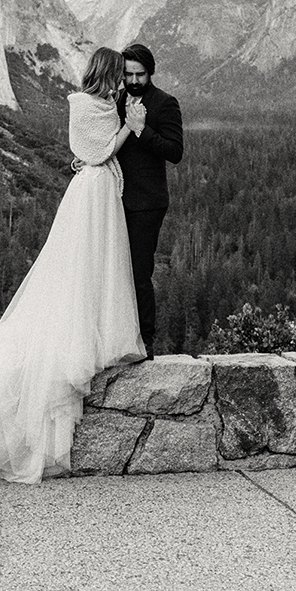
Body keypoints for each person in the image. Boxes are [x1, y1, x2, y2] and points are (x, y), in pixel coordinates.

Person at [0, 48, 147, 483]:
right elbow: (97, 152)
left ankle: (98, 330)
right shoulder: (85, 105)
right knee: (84, 263)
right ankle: (82, 339)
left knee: (98, 266)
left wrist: (127, 122)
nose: (124, 81)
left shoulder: (104, 103)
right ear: (108, 73)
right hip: (94, 188)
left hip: (101, 188)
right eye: (120, 75)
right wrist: (130, 128)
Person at [115, 43, 184, 359]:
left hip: (148, 202)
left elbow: (175, 152)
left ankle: (145, 342)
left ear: (150, 72)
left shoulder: (165, 103)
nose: (133, 80)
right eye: (128, 74)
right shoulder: (115, 101)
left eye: (139, 74)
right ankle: (117, 338)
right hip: (114, 199)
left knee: (139, 273)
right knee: (113, 271)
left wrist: (142, 130)